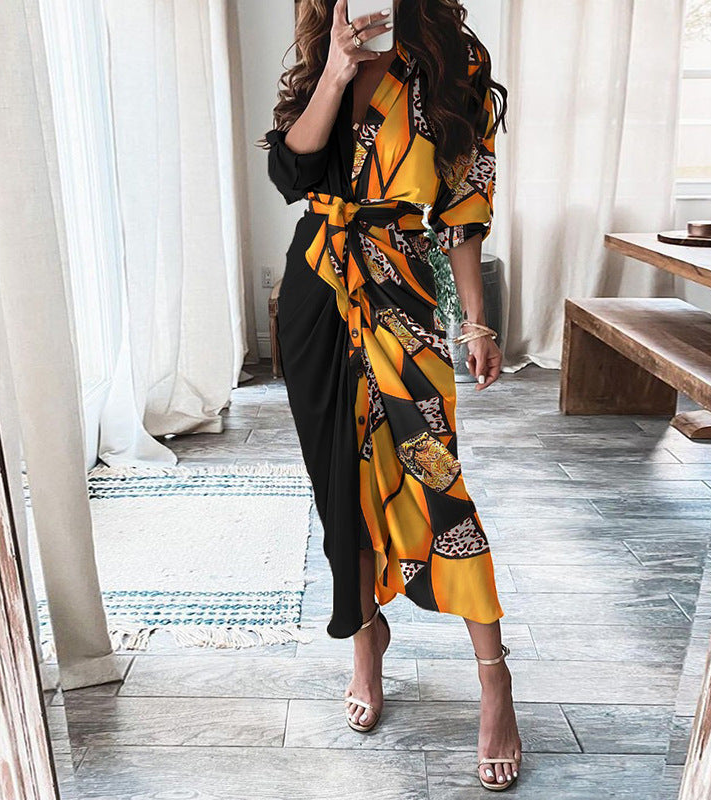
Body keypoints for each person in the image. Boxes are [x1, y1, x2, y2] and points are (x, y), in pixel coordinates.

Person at [261, 0, 520, 790]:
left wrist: (476, 322)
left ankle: (495, 679)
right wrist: (336, 73)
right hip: (316, 288)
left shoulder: (453, 60)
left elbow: (465, 209)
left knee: (436, 480)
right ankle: (365, 643)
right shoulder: (325, 49)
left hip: (402, 291)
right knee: (340, 485)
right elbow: (290, 174)